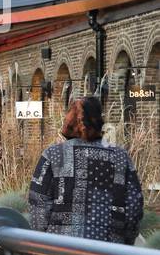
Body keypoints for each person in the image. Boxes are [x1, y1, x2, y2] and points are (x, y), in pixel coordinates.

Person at [28, 96, 143, 244]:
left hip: (60, 247)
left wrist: (41, 239)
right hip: (109, 250)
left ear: (69, 120)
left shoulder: (53, 154)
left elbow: (38, 202)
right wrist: (126, 240)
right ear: (99, 120)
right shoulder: (120, 157)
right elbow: (134, 204)